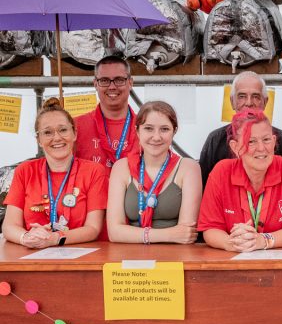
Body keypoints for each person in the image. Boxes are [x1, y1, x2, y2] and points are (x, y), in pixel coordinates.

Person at [199, 109, 282, 251]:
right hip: (234, 262)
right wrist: (232, 243)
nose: (261, 148)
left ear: (274, 141)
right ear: (234, 146)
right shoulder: (221, 171)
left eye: (266, 139)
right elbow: (210, 228)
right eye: (251, 141)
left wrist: (263, 241)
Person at [3, 99, 107, 248]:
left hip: (80, 260)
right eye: (47, 132)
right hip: (32, 255)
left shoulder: (94, 171)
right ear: (39, 140)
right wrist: (26, 237)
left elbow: (93, 229)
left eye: (63, 130)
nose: (57, 138)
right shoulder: (24, 171)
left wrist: (54, 238)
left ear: (75, 133)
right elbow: (9, 226)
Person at [106, 102, 201, 245]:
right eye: (148, 129)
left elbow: (186, 234)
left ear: (174, 131)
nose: (156, 137)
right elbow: (114, 232)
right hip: (131, 258)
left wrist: (134, 234)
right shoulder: (121, 168)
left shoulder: (189, 168)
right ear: (137, 131)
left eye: (164, 129)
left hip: (176, 257)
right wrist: (168, 234)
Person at [199, 71, 282, 184]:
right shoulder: (215, 139)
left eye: (255, 97)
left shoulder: (281, 138)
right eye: (242, 96)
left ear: (265, 102)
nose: (249, 103)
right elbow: (203, 185)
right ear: (232, 102)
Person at [75, 55, 140, 170]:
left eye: (119, 80)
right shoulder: (75, 127)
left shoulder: (146, 127)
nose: (112, 87)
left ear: (130, 83)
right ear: (95, 84)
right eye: (104, 80)